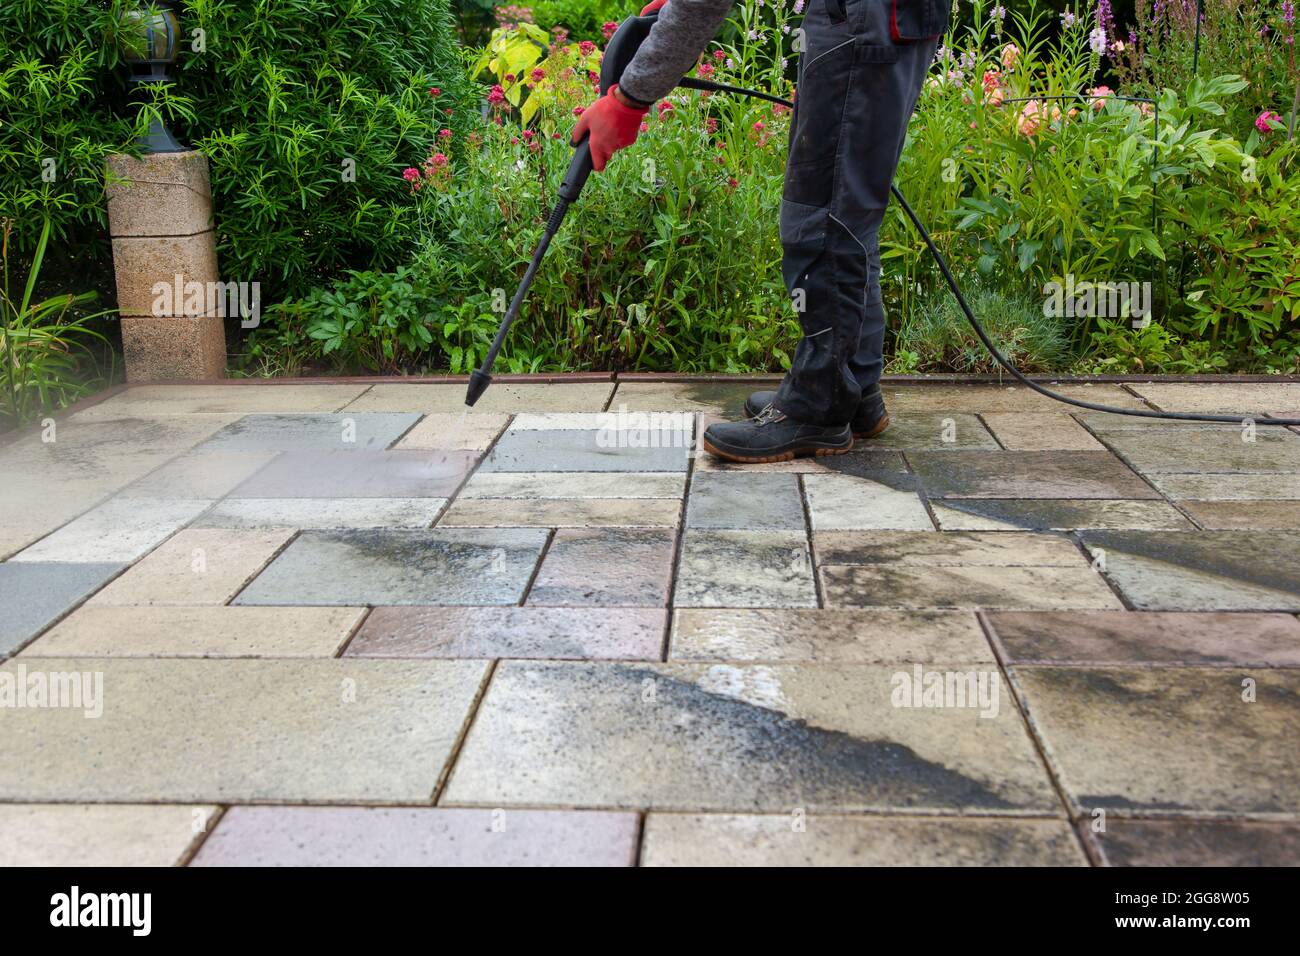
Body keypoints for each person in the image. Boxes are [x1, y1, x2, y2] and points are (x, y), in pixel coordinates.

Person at [572, 0, 948, 462]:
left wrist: (628, 99)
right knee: (848, 214)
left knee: (820, 218)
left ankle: (818, 407)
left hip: (859, 23)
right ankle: (854, 391)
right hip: (888, 21)